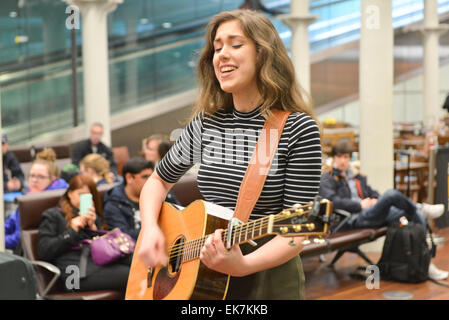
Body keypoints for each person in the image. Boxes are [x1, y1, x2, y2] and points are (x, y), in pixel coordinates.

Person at [136, 10, 322, 300]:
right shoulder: (207, 123)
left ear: (264, 54)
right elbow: (157, 182)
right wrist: (149, 229)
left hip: (267, 280)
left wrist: (243, 264)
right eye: (217, 47)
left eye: (235, 44)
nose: (222, 54)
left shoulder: (297, 129)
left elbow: (294, 234)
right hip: (202, 275)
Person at [319, 140, 448, 280]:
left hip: (369, 213)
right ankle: (421, 207)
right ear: (334, 157)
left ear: (350, 158)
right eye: (339, 157)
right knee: (392, 195)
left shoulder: (355, 175)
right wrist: (360, 205)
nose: (343, 161)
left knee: (413, 214)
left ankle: (427, 263)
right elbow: (333, 201)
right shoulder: (328, 177)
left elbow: (372, 192)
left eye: (346, 157)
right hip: (352, 219)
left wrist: (375, 200)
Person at [37, 174, 131, 292]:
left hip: (95, 264)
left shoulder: (91, 216)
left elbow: (103, 249)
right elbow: (44, 251)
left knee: (136, 264)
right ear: (70, 194)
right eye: (81, 194)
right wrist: (72, 231)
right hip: (73, 273)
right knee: (130, 276)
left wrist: (93, 228)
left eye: (88, 196)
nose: (84, 199)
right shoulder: (54, 215)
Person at [4, 148, 69, 251]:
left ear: (52, 179)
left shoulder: (43, 201)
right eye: (32, 176)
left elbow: (19, 239)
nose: (34, 180)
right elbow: (11, 223)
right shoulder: (31, 196)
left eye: (40, 177)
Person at [103, 157, 155, 241]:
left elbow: (179, 214)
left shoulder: (159, 192)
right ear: (129, 178)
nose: (150, 181)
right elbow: (123, 236)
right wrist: (156, 230)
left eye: (151, 176)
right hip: (134, 250)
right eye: (145, 177)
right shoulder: (114, 203)